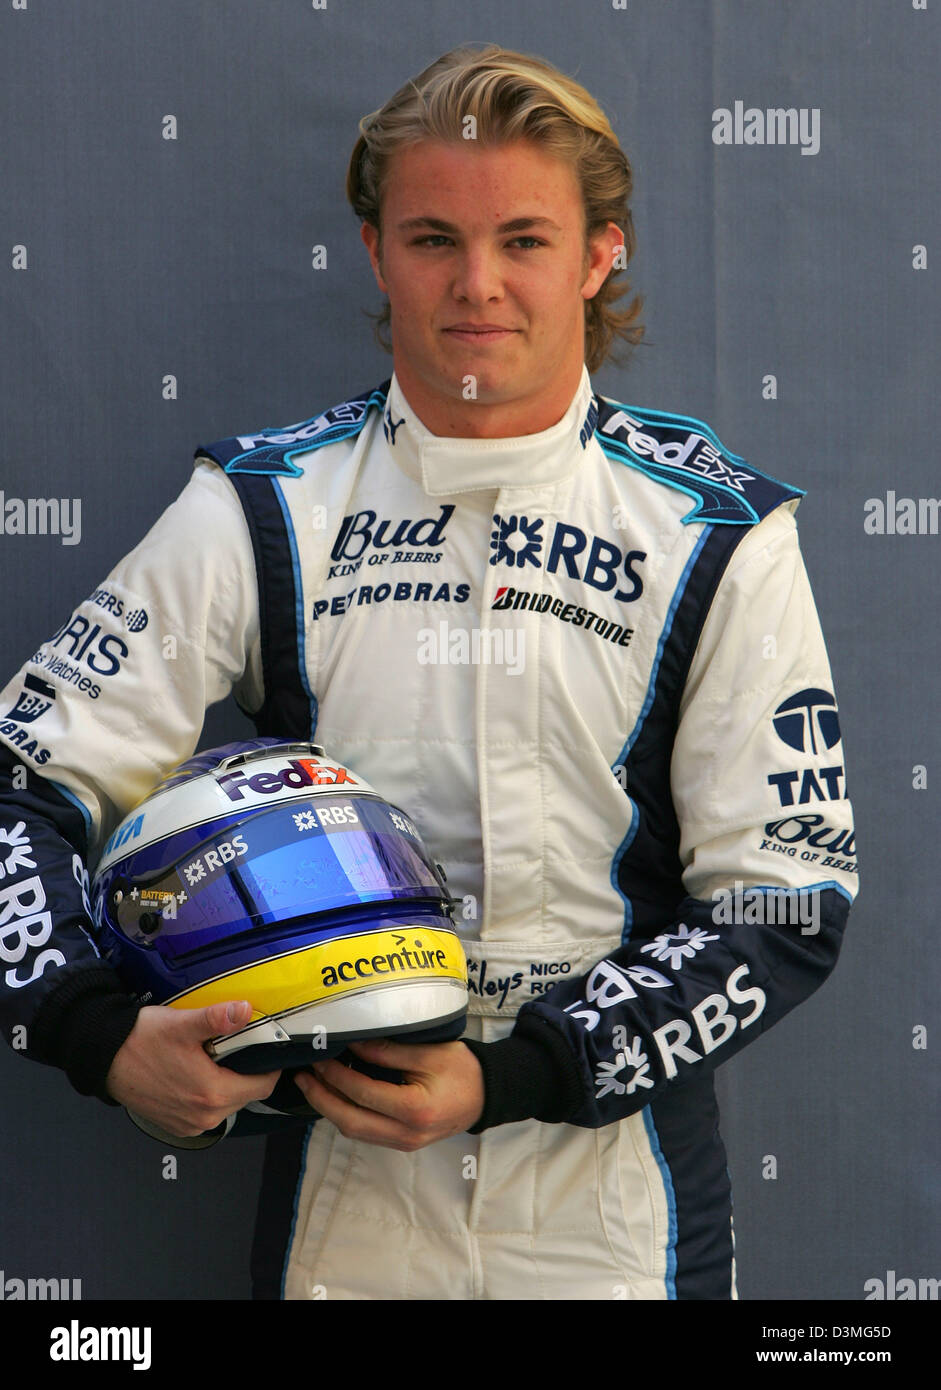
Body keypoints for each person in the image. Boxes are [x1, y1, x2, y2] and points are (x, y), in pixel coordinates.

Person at [0, 43, 857, 1300]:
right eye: (430, 238)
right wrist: (99, 1035)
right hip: (340, 1194)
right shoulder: (259, 504)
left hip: (613, 1206)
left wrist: (509, 1080)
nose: (476, 286)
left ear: (598, 252)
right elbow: (23, 780)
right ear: (372, 251)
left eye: (522, 239)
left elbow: (786, 907)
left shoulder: (718, 530)